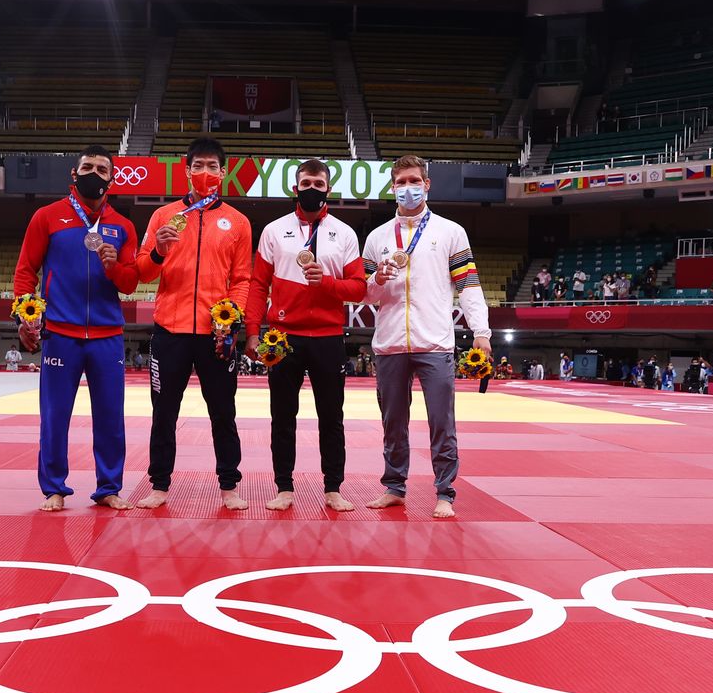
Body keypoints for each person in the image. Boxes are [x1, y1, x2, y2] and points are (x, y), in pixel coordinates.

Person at [361, 155, 492, 519]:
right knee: (392, 423)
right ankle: (394, 487)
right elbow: (366, 295)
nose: (407, 187)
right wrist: (377, 279)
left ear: (427, 184)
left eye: (413, 180)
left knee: (441, 421)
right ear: (392, 187)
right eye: (401, 182)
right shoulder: (377, 238)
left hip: (435, 341)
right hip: (389, 344)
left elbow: (468, 285)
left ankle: (444, 492)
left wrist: (480, 331)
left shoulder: (450, 232)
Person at [13, 144, 140, 513]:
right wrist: (26, 312)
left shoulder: (123, 226)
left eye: (102, 170)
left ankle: (109, 487)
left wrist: (115, 266)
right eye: (88, 167)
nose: (94, 174)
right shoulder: (48, 217)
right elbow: (25, 271)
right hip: (61, 334)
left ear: (112, 180)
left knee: (111, 418)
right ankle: (53, 488)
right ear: (74, 173)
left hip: (107, 337)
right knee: (54, 416)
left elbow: (130, 283)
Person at [135, 137, 253, 512]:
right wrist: (159, 251)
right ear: (186, 171)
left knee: (223, 411)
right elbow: (142, 272)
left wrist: (231, 316)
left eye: (212, 166)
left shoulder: (238, 222)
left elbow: (243, 278)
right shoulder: (162, 217)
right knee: (164, 411)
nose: (205, 173)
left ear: (223, 172)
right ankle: (159, 484)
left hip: (216, 334)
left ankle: (229, 485)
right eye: (198, 166)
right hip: (169, 331)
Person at [244, 159, 366, 514]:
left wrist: (324, 282)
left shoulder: (344, 233)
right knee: (282, 416)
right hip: (283, 336)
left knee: (332, 417)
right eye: (306, 182)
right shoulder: (273, 230)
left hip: (327, 336)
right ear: (295, 188)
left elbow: (358, 288)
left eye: (318, 182)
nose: (312, 187)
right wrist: (253, 331)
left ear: (328, 188)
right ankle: (284, 487)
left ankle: (333, 488)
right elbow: (257, 285)